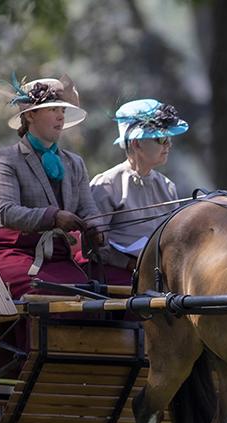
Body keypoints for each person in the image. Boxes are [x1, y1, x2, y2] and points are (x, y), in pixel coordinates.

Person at [0, 73, 104, 298]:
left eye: (63, 111)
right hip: (13, 253)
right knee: (46, 298)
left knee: (90, 299)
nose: (60, 117)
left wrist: (96, 228)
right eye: (53, 109)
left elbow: (88, 209)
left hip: (59, 257)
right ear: (30, 115)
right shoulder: (6, 159)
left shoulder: (74, 162)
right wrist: (53, 217)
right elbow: (5, 211)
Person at [80, 98, 189, 284]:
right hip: (118, 278)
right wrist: (129, 263)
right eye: (161, 139)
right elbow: (92, 248)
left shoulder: (167, 186)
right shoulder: (106, 184)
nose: (168, 145)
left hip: (159, 274)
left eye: (168, 138)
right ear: (137, 144)